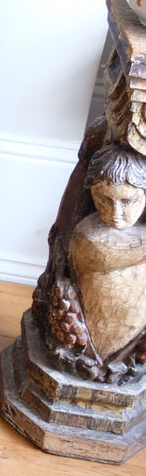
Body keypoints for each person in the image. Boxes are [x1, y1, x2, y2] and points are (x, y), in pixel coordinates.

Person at [68, 143, 146, 359]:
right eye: (104, 200)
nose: (116, 213)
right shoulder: (89, 235)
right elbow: (107, 256)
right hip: (89, 336)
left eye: (128, 201)